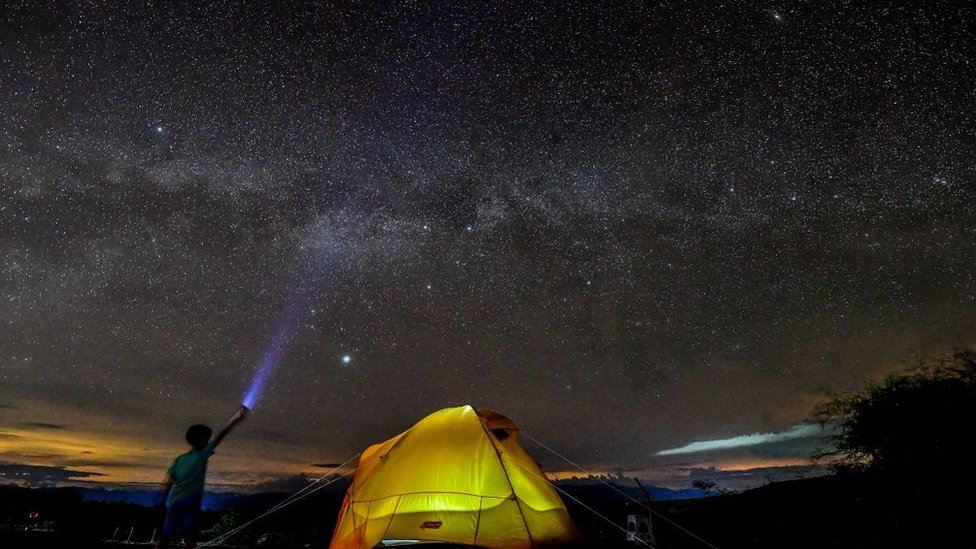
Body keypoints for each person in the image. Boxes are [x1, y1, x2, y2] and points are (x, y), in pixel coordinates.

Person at [156, 406, 248, 549]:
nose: (208, 441)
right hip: (192, 501)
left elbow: (168, 482)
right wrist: (236, 417)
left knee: (165, 536)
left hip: (175, 501)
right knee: (190, 538)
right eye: (205, 439)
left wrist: (161, 501)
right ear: (199, 440)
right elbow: (221, 435)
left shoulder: (179, 459)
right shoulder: (202, 455)